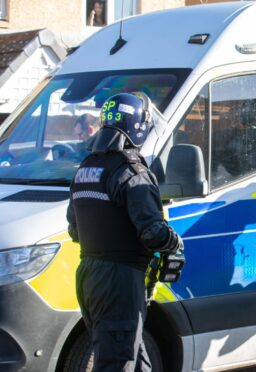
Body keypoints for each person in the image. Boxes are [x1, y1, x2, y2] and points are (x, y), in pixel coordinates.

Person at [67, 93, 183, 372]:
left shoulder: (86, 168)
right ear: (136, 125)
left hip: (89, 276)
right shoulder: (131, 170)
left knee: (134, 355)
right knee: (117, 363)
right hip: (119, 280)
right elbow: (153, 233)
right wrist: (175, 242)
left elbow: (75, 230)